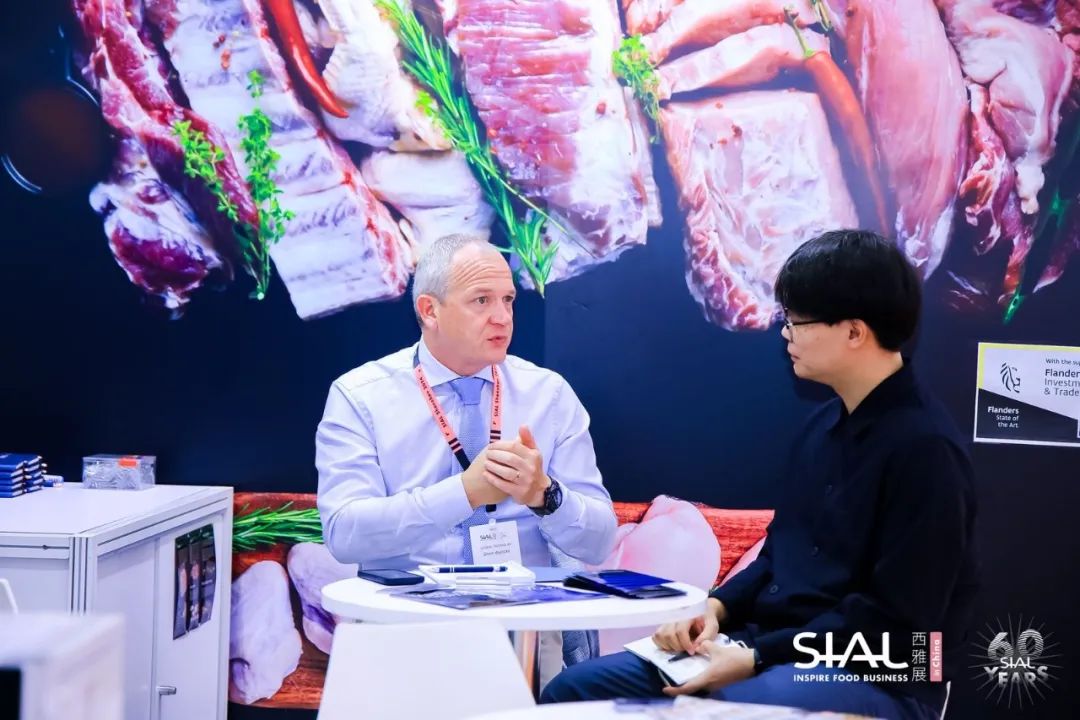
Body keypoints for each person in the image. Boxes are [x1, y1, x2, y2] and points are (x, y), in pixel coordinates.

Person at [541, 230, 979, 720]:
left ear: (855, 332)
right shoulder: (822, 427)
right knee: (572, 690)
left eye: (796, 321)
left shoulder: (926, 451)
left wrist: (755, 657)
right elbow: (778, 556)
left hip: (877, 673)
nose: (785, 333)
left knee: (718, 711)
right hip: (768, 647)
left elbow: (894, 620)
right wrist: (714, 608)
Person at [316, 233, 617, 676]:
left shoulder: (547, 395)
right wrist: (464, 493)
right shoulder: (361, 396)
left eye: (508, 300)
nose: (503, 317)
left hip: (524, 628)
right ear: (429, 310)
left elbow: (600, 540)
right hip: (406, 624)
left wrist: (546, 495)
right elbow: (345, 534)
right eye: (481, 300)